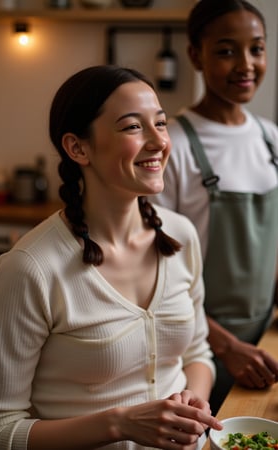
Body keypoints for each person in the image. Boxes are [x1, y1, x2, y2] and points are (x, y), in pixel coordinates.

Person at [0, 65, 222, 450]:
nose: (159, 141)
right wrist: (120, 425)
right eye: (132, 127)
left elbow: (197, 352)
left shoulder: (181, 235)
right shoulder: (31, 269)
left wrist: (195, 400)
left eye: (160, 123)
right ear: (78, 148)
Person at [151, 0, 278, 415]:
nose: (246, 64)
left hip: (264, 340)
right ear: (195, 56)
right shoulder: (173, 147)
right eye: (226, 50)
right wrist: (225, 346)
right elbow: (158, 274)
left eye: (256, 48)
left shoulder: (271, 139)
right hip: (198, 347)